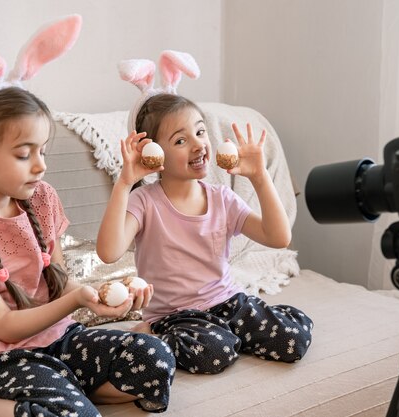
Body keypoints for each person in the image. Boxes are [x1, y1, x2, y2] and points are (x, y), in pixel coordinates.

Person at [0, 16, 175, 417]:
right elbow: (3, 326)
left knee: (156, 357)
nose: (40, 166)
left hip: (58, 341)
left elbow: (59, 282)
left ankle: (64, 387)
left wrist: (102, 297)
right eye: (25, 154)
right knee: (73, 415)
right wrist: (77, 301)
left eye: (43, 150)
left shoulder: (42, 199)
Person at [96, 51, 313, 375]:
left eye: (200, 132)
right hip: (175, 315)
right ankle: (152, 334)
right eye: (180, 140)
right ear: (153, 154)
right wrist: (125, 182)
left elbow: (279, 238)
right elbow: (109, 252)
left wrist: (259, 176)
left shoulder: (222, 198)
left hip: (228, 302)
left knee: (292, 339)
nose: (199, 145)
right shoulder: (145, 202)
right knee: (214, 352)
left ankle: (234, 333)